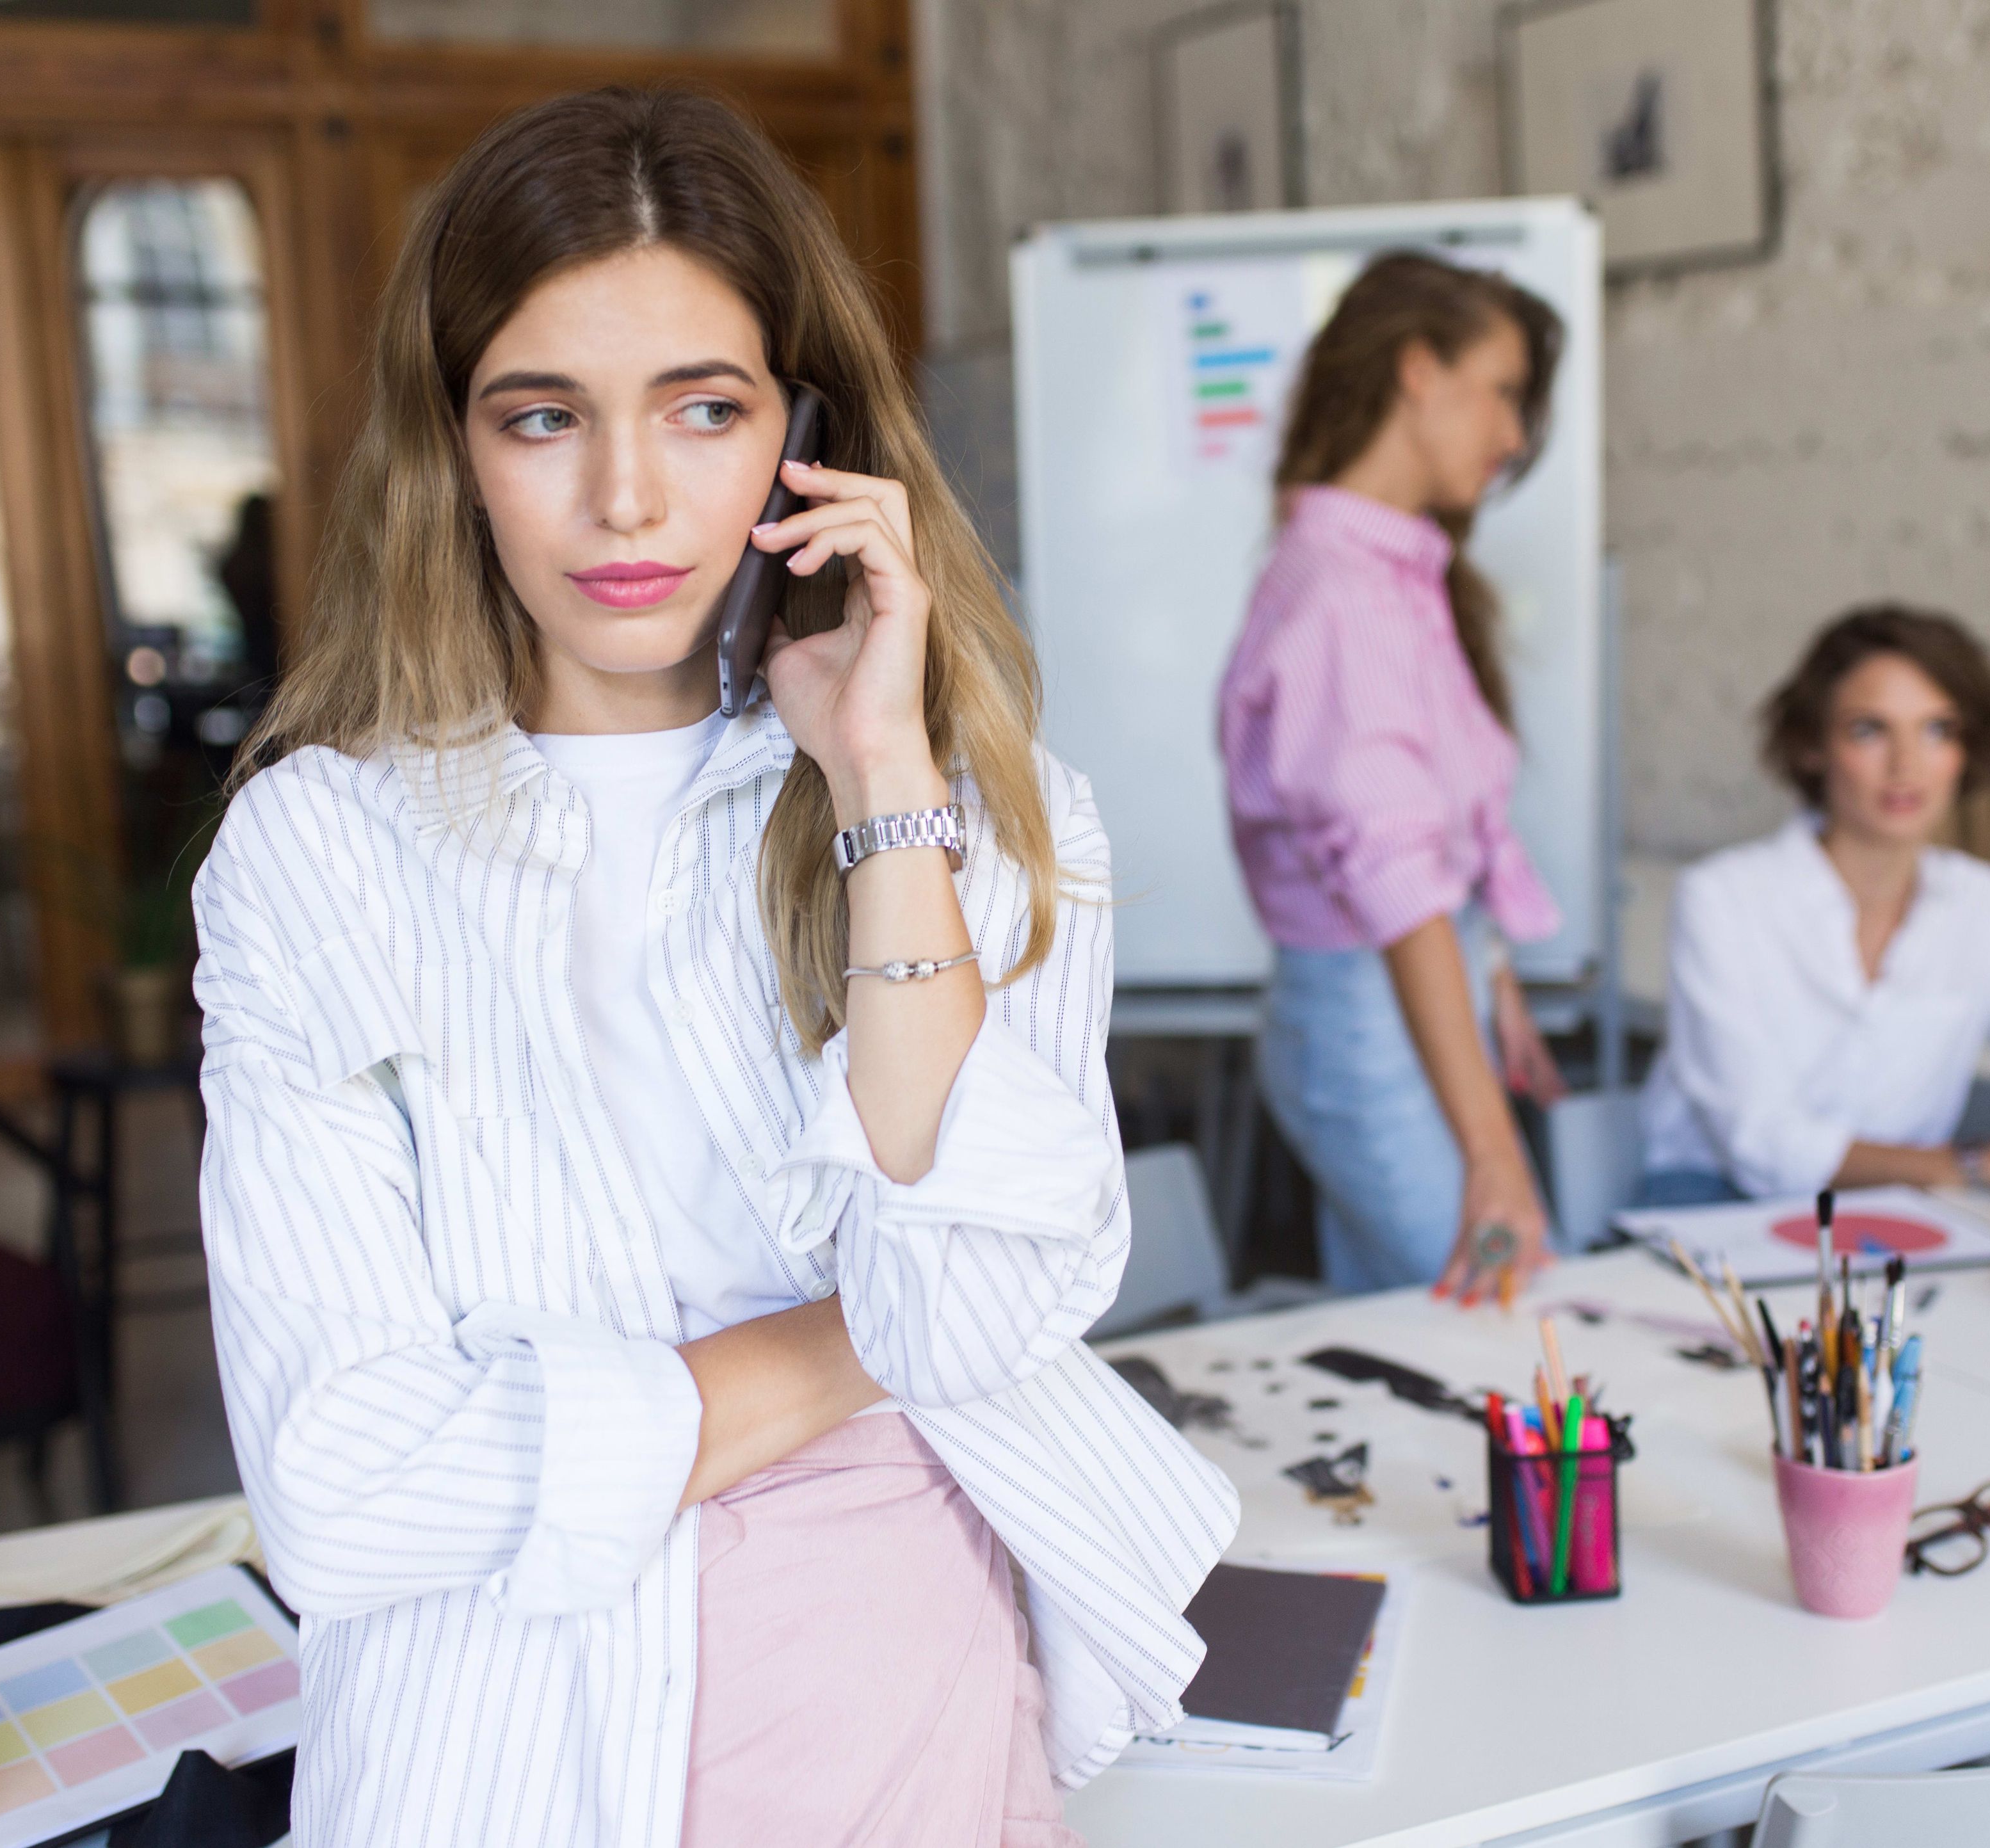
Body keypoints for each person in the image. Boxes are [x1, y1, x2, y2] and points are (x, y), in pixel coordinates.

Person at [194, 87, 1235, 1848]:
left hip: (900, 1701)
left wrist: (883, 779)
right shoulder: (322, 854)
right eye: (544, 415)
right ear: (453, 445)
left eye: (703, 410)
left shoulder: (986, 812)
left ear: (805, 438)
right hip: (502, 1743)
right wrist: (849, 1342)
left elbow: (976, 1304)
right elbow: (348, 1492)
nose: (625, 496)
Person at [1218, 253, 1570, 1303]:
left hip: (1417, 1002)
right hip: (1376, 1021)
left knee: (1432, 1335)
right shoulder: (1344, 596)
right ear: (1419, 371)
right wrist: (1493, 1150)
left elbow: (1442, 832)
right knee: (1490, 1318)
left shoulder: (1393, 577)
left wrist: (1488, 966)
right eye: (1503, 391)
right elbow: (1397, 887)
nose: (1513, 438)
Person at [1639, 605, 1990, 1204]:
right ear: (1811, 747)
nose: (1906, 766)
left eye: (1937, 731)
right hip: (1712, 1206)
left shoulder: (1984, 906)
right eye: (1869, 730)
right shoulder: (1722, 899)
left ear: (1966, 750)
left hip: (1890, 1212)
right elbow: (1762, 1144)